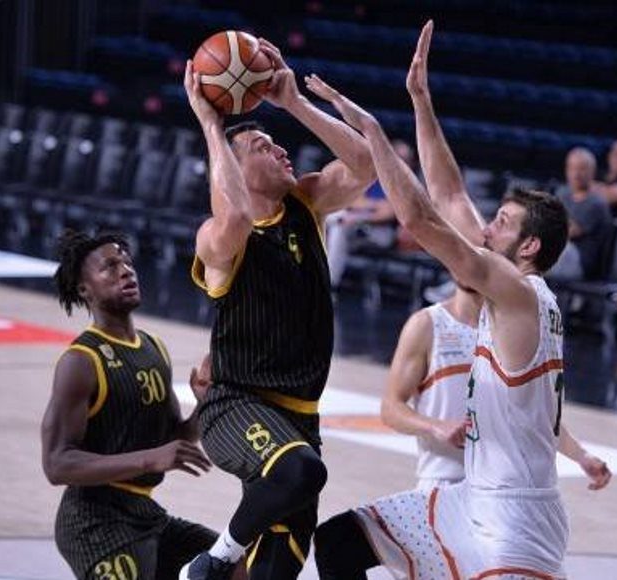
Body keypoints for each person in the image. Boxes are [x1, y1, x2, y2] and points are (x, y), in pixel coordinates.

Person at [307, 21, 610, 579]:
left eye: (501, 223)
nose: (485, 228)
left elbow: (421, 218)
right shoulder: (509, 284)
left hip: (518, 519)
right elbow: (448, 196)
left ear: (529, 247)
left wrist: (373, 134)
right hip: (468, 499)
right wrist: (421, 100)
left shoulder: (518, 293)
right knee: (341, 540)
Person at [179, 36, 375, 580]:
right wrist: (211, 125)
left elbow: (365, 165)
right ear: (235, 169)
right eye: (264, 146)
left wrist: (294, 102)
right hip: (236, 405)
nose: (282, 150)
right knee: (299, 473)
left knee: (277, 568)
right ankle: (213, 563)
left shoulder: (305, 205)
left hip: (300, 416)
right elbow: (236, 216)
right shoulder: (218, 237)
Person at [41, 230, 240, 580]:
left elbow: (172, 439)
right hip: (94, 521)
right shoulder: (81, 361)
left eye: (127, 262)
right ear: (84, 289)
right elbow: (57, 464)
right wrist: (149, 459)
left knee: (236, 569)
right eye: (110, 266)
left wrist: (204, 406)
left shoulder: (153, 347)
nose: (126, 271)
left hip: (143, 512)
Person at [380, 282, 482, 491]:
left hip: (502, 484)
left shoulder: (511, 326)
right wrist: (435, 426)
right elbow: (390, 408)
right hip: (443, 480)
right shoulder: (427, 324)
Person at [325, 139, 415, 288]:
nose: (399, 163)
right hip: (355, 226)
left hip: (383, 233)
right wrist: (376, 206)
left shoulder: (407, 186)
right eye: (396, 157)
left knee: (338, 225)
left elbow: (388, 214)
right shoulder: (374, 176)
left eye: (404, 160)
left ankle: (327, 283)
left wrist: (359, 216)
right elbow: (353, 200)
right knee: (336, 226)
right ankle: (324, 280)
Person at [555, 147, 613, 280]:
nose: (576, 174)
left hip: (579, 260)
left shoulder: (596, 203)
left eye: (582, 169)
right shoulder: (562, 193)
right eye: (572, 168)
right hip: (559, 251)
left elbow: (567, 232)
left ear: (592, 172)